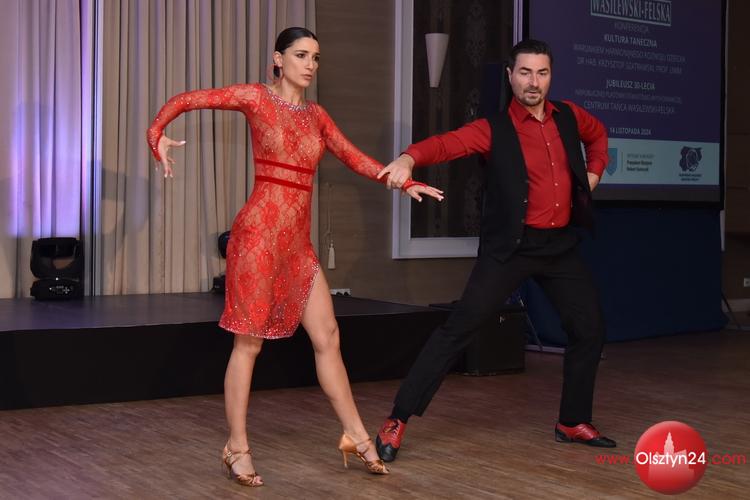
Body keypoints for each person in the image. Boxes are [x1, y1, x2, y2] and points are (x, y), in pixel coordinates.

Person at [146, 27, 443, 487]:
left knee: (328, 336)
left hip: (296, 245)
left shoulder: (317, 116)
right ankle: (236, 446)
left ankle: (355, 435)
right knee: (249, 344)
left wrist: (403, 181)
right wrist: (157, 134)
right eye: (301, 55)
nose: (310, 65)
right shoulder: (256, 98)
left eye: (316, 57)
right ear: (278, 59)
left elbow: (355, 158)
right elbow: (189, 99)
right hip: (257, 237)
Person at [374, 39, 616, 463]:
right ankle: (398, 419)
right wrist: (409, 159)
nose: (533, 82)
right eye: (525, 72)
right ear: (510, 76)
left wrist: (593, 175)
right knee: (457, 331)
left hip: (559, 246)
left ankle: (572, 420)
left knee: (590, 328)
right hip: (511, 248)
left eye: (542, 73)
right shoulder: (493, 129)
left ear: (551, 76)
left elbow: (598, 136)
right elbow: (446, 144)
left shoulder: (569, 116)